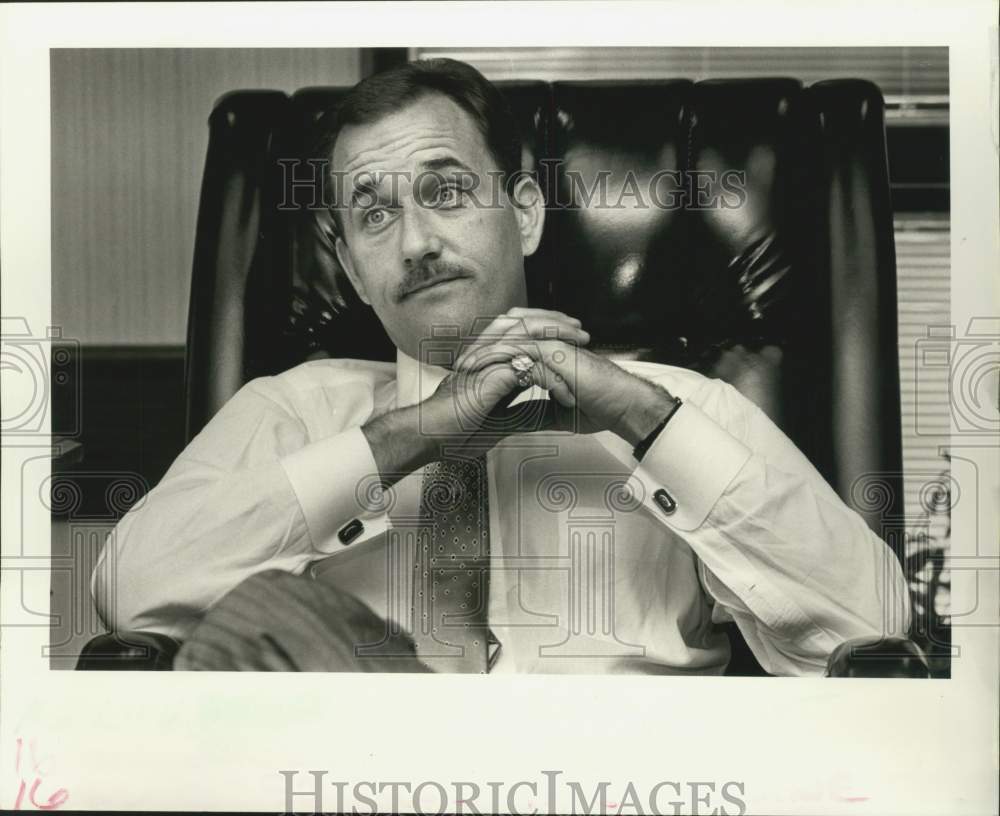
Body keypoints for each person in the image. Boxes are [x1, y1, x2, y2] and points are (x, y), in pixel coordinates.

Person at [91, 58, 911, 675]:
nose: (414, 242)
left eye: (445, 193)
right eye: (375, 214)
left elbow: (871, 623)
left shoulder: (680, 407)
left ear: (523, 215)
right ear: (349, 269)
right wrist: (411, 434)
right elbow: (133, 598)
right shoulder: (292, 412)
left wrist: (642, 420)